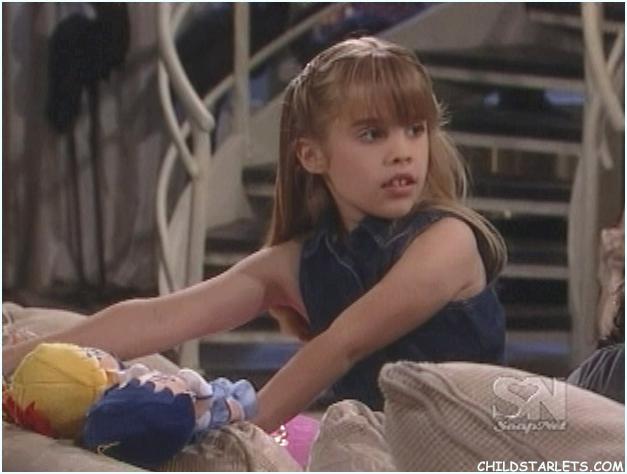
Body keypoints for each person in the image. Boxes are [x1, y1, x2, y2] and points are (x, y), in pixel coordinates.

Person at [3, 36, 507, 433]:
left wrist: (245, 429)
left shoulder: (448, 240)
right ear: (312, 155)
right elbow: (159, 317)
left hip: (474, 445)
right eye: (373, 134)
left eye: (415, 129)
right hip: (376, 442)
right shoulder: (298, 262)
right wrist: (14, 361)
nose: (402, 152)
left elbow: (343, 344)